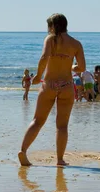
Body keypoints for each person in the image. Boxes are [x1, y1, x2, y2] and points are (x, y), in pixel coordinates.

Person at [18, 13, 86, 166]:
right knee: (62, 125)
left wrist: (37, 77)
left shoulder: (50, 39)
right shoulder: (76, 44)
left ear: (53, 26)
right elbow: (82, 67)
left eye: (49, 26)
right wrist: (71, 66)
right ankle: (60, 159)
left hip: (49, 84)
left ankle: (23, 151)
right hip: (67, 86)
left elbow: (44, 58)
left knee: (37, 121)